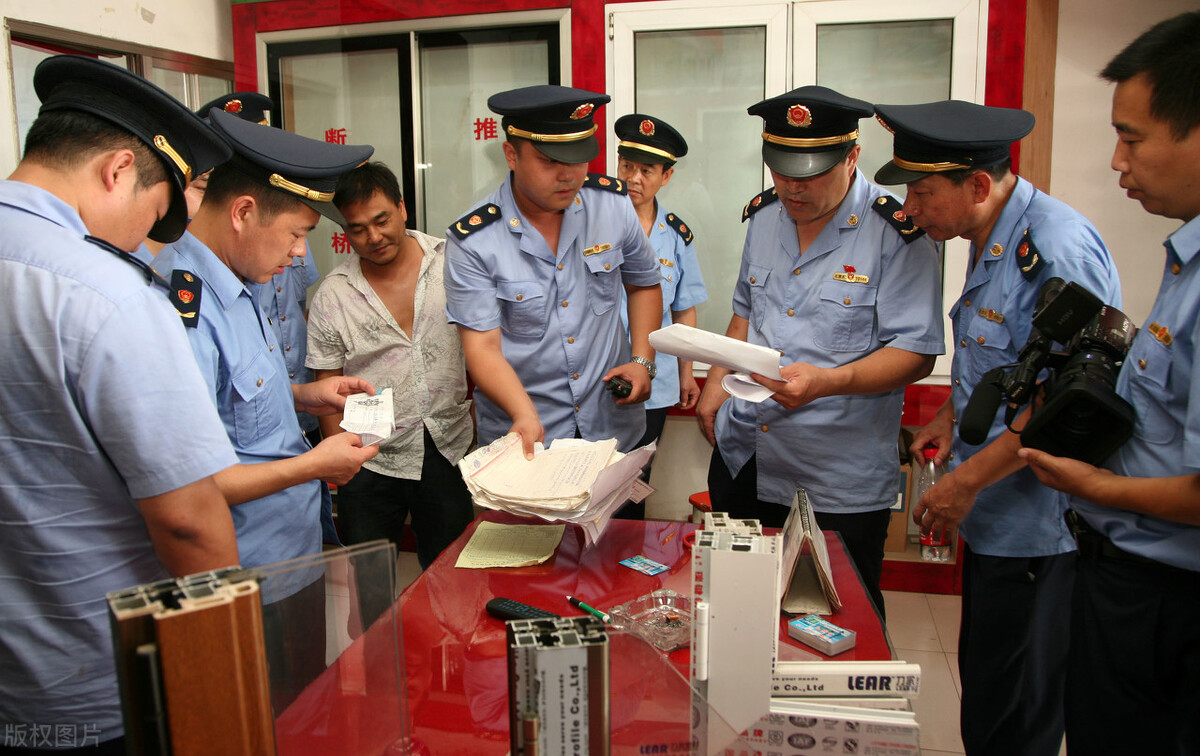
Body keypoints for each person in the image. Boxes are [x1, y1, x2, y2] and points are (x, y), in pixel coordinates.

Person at [0, 56, 239, 754]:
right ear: (116, 169)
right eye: (155, 213)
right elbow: (190, 525)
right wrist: (226, 683)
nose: (146, 240)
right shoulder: (105, 295)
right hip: (98, 683)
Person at [874, 100, 1121, 756]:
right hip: (998, 520)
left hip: (1039, 533)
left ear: (978, 186)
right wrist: (954, 419)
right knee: (988, 694)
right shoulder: (993, 236)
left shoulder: (1055, 249)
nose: (913, 209)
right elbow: (1015, 367)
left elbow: (1073, 398)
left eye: (923, 193)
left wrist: (965, 484)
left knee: (1016, 715)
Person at [150, 108, 379, 710]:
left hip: (291, 555)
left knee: (305, 709)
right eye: (297, 234)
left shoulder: (237, 283)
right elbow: (193, 486)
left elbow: (236, 401)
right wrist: (317, 466)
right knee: (269, 719)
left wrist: (307, 395)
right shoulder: (182, 306)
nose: (301, 254)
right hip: (244, 573)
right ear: (244, 213)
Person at [1019, 12, 1200, 754]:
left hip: (1166, 598)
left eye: (1132, 137)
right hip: (1128, 578)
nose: (1118, 162)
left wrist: (1090, 485)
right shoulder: (1186, 258)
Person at [696, 86, 944, 618]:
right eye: (782, 170)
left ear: (852, 156)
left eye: (810, 173)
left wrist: (828, 382)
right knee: (739, 615)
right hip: (747, 456)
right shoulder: (764, 218)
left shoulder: (896, 234)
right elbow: (745, 312)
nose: (792, 187)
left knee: (838, 620)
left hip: (835, 474)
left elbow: (916, 352)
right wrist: (716, 382)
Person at [443, 85, 663, 459]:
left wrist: (643, 361)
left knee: (617, 519)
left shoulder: (612, 206)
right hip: (526, 436)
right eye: (550, 161)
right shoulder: (474, 241)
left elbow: (644, 283)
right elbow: (482, 348)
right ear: (511, 155)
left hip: (610, 427)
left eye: (578, 159)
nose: (568, 176)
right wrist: (523, 412)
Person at [307, 162, 475, 569]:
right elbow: (326, 387)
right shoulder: (334, 296)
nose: (373, 236)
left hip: (446, 447)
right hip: (368, 458)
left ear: (402, 207)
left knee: (450, 577)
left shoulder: (451, 263)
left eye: (381, 220)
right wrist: (341, 469)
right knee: (370, 588)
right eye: (357, 229)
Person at [613, 113, 708, 515]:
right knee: (592, 478)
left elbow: (683, 310)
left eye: (646, 170)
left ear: (665, 177)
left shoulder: (676, 235)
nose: (634, 178)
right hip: (598, 374)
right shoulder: (590, 222)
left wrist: (687, 372)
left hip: (655, 379)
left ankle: (625, 562)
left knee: (636, 479)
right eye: (627, 166)